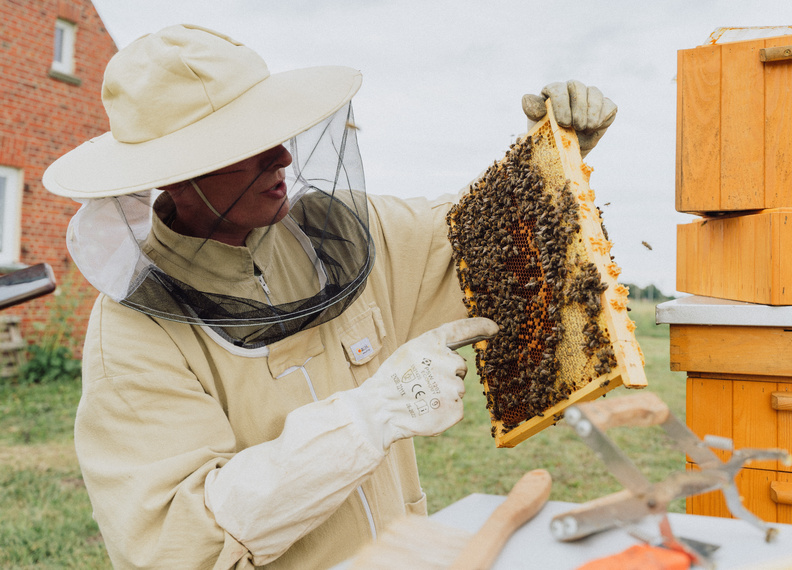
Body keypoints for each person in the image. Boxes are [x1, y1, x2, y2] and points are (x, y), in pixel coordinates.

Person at [43, 24, 617, 570]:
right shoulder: (130, 334)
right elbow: (174, 539)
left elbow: (477, 238)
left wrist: (552, 157)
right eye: (246, 144)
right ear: (175, 173)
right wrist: (371, 418)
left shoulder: (339, 232)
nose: (283, 158)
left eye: (273, 130)